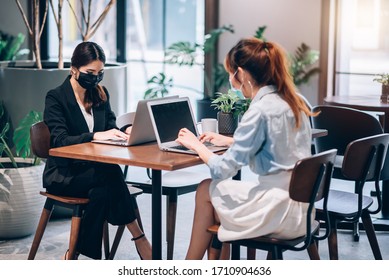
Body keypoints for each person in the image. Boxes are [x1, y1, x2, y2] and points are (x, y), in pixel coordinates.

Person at [176, 38, 316, 259]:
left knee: (206, 189)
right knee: (215, 201)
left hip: (278, 212)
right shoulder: (295, 101)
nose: (231, 81)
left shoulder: (259, 111)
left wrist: (196, 145)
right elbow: (280, 145)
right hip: (303, 211)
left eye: (231, 74)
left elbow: (223, 170)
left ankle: (188, 266)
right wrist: (231, 141)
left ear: (241, 74)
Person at [43, 41, 151, 260]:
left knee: (102, 189)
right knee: (110, 174)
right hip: (64, 173)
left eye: (100, 73)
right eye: (90, 72)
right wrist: (93, 136)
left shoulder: (100, 94)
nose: (95, 78)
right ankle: (140, 238)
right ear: (73, 69)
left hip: (94, 173)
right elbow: (59, 140)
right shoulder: (56, 97)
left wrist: (126, 130)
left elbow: (110, 126)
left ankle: (77, 255)